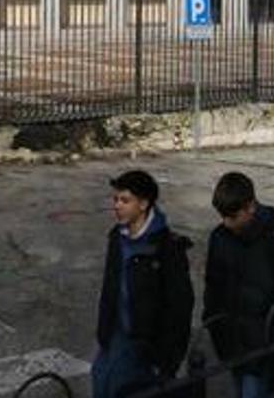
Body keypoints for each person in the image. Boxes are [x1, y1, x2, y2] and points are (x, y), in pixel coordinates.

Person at [92, 169, 195, 397]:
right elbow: (110, 289)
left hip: (147, 348)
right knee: (101, 382)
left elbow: (179, 308)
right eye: (116, 199)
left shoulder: (167, 249)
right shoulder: (116, 238)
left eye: (125, 200)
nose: (117, 205)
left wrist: (167, 362)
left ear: (144, 204)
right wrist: (104, 334)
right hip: (116, 338)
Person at [203, 171, 274, 398]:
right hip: (233, 340)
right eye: (222, 215)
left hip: (268, 342)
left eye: (232, 216)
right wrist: (214, 322)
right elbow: (213, 285)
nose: (226, 222)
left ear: (250, 207)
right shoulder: (220, 237)